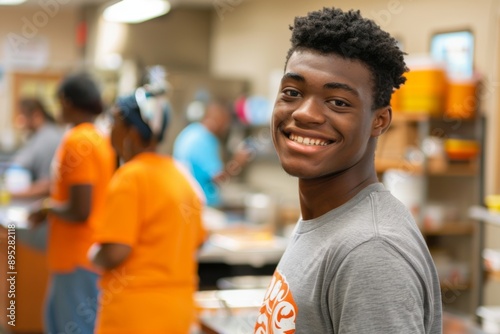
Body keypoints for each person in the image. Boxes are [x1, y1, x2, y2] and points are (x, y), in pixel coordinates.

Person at [254, 7, 442, 334]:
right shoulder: (329, 221)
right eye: (292, 93)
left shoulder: (372, 250)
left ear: (379, 121)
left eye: (338, 102)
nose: (305, 114)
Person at [90, 88, 206, 334]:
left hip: (135, 315)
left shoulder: (130, 177)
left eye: (114, 123)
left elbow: (115, 252)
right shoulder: (181, 175)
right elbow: (198, 240)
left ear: (131, 132)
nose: (109, 130)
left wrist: (94, 255)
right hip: (177, 313)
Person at [28, 72, 116, 334]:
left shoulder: (78, 141)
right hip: (81, 255)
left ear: (66, 101)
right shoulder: (99, 138)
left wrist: (46, 207)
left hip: (77, 257)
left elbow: (80, 209)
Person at [173, 100, 250, 207]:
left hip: (184, 201)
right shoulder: (205, 140)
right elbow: (220, 178)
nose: (226, 128)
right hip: (200, 205)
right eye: (225, 123)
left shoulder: (190, 133)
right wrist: (237, 162)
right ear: (216, 120)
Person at [9, 97, 63, 199]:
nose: (19, 120)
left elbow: (48, 185)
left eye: (22, 115)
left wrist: (8, 195)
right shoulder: (37, 137)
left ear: (36, 115)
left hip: (36, 206)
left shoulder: (49, 140)